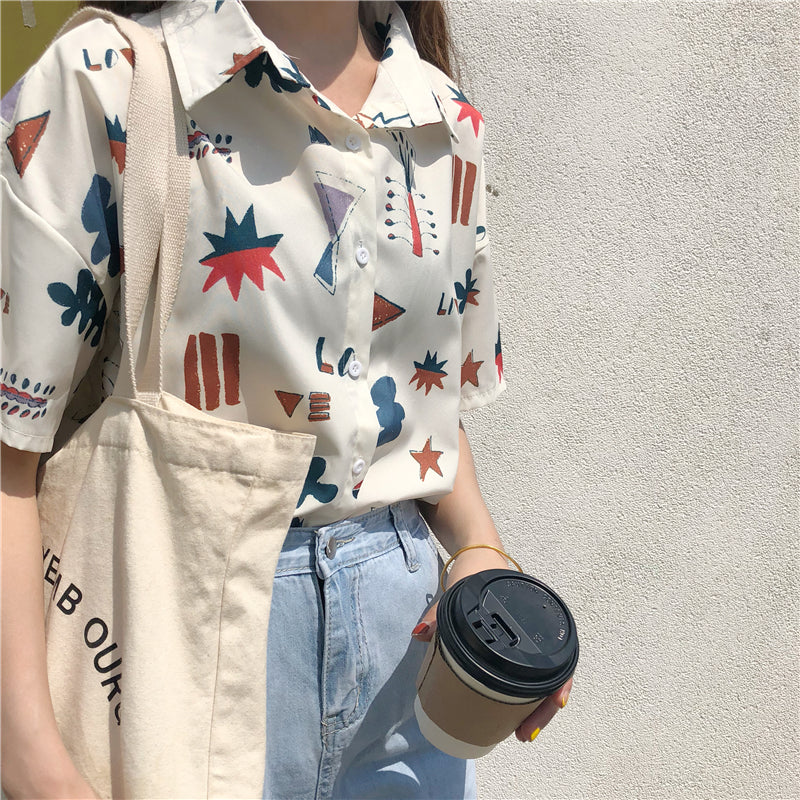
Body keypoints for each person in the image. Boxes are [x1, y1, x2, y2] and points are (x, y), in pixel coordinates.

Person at [0, 1, 573, 797]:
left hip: (404, 658)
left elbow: (415, 405)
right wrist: (26, 751)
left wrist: (481, 552)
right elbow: (10, 444)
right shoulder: (109, 79)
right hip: (172, 631)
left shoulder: (444, 117)